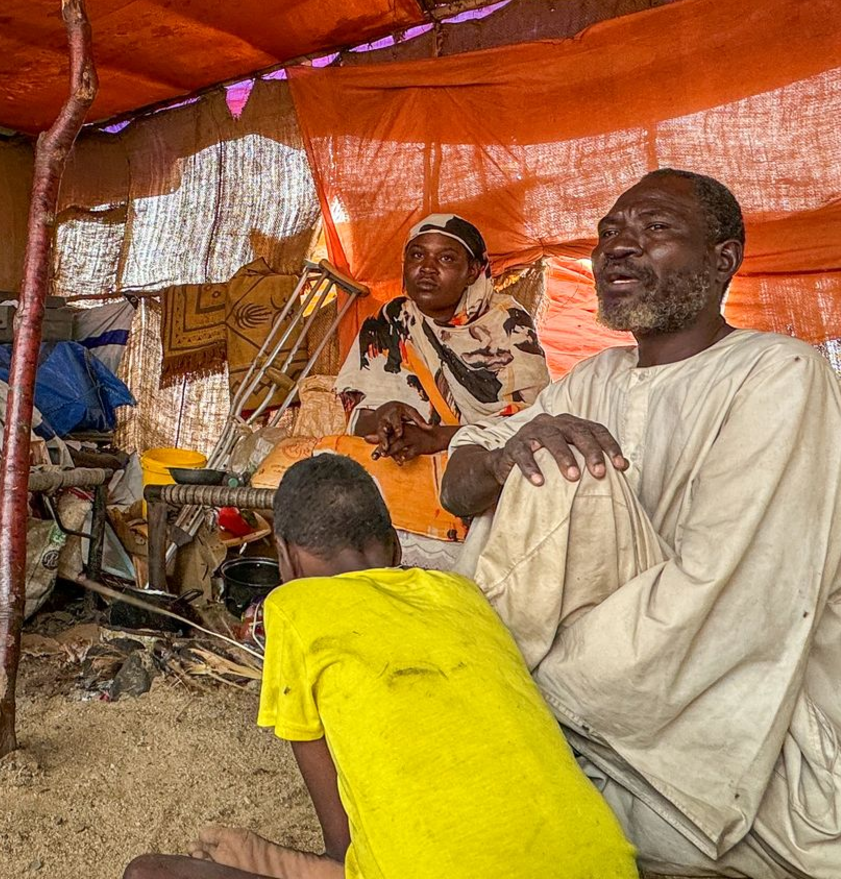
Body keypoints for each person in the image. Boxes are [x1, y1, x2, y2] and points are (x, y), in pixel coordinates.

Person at [442, 168, 841, 878]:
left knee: (562, 464)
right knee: (539, 453)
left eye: (654, 228)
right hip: (585, 678)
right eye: (609, 233)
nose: (618, 248)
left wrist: (530, 695)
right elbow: (458, 482)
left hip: (713, 714)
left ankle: (492, 702)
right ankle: (495, 704)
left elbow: (728, 598)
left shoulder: (780, 373)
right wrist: (503, 457)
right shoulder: (593, 377)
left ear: (723, 259)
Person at [123, 454, 638, 879]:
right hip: (606, 863)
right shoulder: (463, 595)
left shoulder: (295, 609)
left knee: (147, 873)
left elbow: (343, 844)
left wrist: (321, 861)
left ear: (285, 557)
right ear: (395, 544)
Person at [328, 213, 550, 550]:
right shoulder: (390, 320)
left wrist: (439, 438)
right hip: (404, 458)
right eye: (417, 255)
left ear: (473, 271)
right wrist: (387, 420)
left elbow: (530, 424)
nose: (427, 268)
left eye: (446, 258)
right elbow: (359, 416)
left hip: (479, 469)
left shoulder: (507, 324)